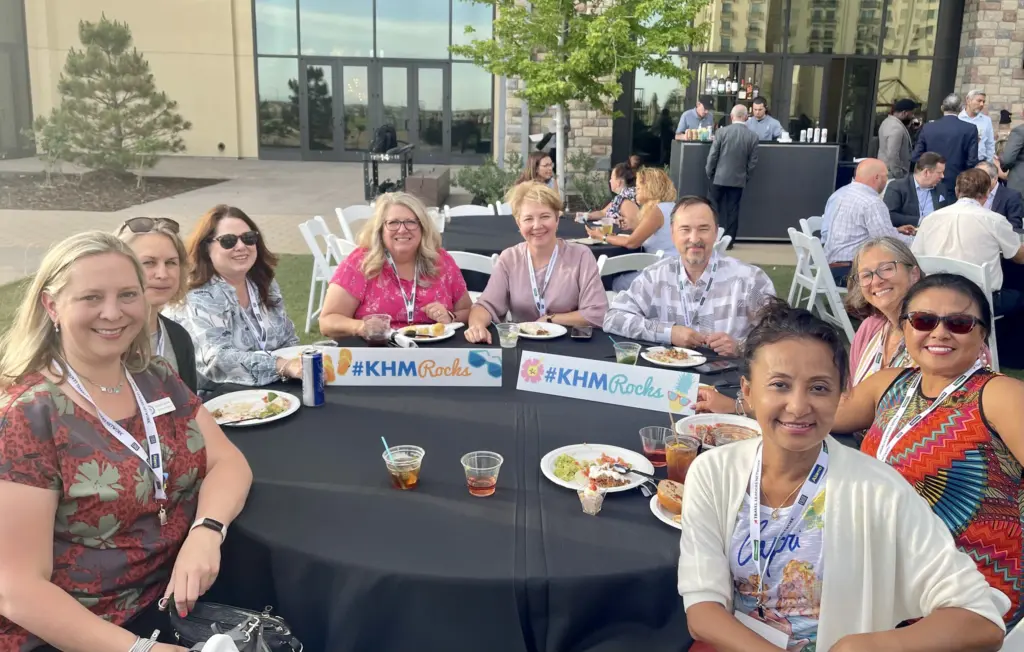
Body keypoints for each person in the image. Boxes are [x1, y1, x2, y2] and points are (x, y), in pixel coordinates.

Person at [680, 298, 1007, 652]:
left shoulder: (878, 489)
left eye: (819, 387)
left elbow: (981, 620)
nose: (798, 406)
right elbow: (702, 609)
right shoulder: (713, 472)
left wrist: (867, 646)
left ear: (841, 396)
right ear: (747, 391)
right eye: (779, 385)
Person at [0, 232, 252, 652]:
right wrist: (140, 650)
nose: (113, 313)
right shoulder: (28, 416)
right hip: (84, 633)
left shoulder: (152, 376)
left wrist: (206, 531)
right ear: (51, 305)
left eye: (127, 295)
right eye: (92, 297)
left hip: (171, 600)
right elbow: (17, 588)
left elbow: (228, 462)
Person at [830, 273, 1024, 627]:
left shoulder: (998, 395)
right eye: (923, 320)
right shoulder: (894, 383)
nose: (939, 332)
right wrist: (740, 403)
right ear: (905, 328)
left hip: (966, 587)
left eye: (960, 323)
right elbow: (822, 413)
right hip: (881, 569)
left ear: (982, 334)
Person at [603, 196, 775, 356]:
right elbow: (613, 318)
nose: (694, 238)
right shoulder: (655, 276)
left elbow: (780, 334)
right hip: (667, 377)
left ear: (715, 233)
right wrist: (668, 333)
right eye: (685, 229)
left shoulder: (749, 280)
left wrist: (740, 346)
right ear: (672, 234)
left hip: (726, 380)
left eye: (703, 229)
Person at [169, 205, 300, 392]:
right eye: (228, 241)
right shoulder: (198, 296)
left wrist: (300, 361)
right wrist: (282, 366)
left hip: (274, 389)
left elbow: (288, 338)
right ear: (206, 248)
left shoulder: (262, 282)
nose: (241, 247)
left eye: (248, 238)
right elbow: (217, 358)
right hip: (218, 399)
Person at [465, 183, 607, 343]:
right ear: (519, 224)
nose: (537, 225)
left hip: (570, 348)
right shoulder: (510, 258)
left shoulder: (580, 256)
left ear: (556, 219)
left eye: (545, 216)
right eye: (528, 219)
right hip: (522, 346)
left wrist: (550, 319)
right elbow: (485, 306)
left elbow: (597, 312)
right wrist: (476, 326)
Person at [319, 192, 472, 338]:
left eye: (410, 222)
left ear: (423, 227)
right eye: (393, 223)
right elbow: (327, 321)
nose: (402, 230)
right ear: (380, 230)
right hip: (377, 355)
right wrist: (360, 327)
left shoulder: (441, 261)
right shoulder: (360, 263)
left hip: (435, 358)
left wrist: (450, 317)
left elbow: (468, 311)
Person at [912, 169, 1024, 311]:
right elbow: (1018, 257)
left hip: (936, 297)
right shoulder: (994, 220)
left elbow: (915, 256)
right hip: (980, 301)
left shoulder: (930, 219)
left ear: (957, 190)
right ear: (987, 193)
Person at [116, 217, 198, 393]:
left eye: (170, 263)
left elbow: (191, 411)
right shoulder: (105, 337)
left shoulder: (179, 337)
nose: (162, 274)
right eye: (149, 263)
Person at [822, 158, 914, 285]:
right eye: (886, 176)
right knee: (906, 273)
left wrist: (896, 230)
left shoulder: (842, 193)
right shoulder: (872, 202)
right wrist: (917, 242)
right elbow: (888, 241)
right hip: (851, 271)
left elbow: (861, 231)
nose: (887, 180)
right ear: (877, 178)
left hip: (831, 266)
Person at [586, 167, 678, 291]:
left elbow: (632, 243)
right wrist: (634, 227)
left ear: (649, 188)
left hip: (661, 275)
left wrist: (601, 236)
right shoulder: (672, 207)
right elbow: (660, 235)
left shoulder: (657, 211)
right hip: (673, 270)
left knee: (605, 277)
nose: (635, 192)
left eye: (639, 188)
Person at [706, 104, 760, 244]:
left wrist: (709, 172)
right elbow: (752, 163)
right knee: (733, 209)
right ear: (746, 117)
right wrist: (745, 177)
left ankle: (711, 237)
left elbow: (713, 156)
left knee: (711, 207)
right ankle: (728, 241)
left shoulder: (722, 133)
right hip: (738, 179)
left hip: (718, 177)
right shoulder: (753, 137)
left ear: (731, 117)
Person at [912, 94, 979, 191]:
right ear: (961, 109)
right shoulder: (969, 129)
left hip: (929, 179)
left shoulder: (928, 127)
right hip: (956, 182)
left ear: (942, 108)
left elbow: (916, 156)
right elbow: (972, 161)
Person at [883, 151, 949, 228]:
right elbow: (889, 215)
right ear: (926, 172)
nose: (942, 176)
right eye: (939, 172)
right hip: (907, 235)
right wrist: (920, 221)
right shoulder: (897, 187)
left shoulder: (941, 188)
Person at [579, 162, 639, 228]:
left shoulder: (624, 198)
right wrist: (585, 216)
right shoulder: (625, 195)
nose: (610, 181)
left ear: (618, 182)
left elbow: (633, 222)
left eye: (611, 178)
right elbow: (603, 213)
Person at [877, 98, 918, 179]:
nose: (913, 116)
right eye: (911, 113)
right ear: (904, 113)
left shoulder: (886, 122)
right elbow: (892, 154)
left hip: (886, 170)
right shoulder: (897, 128)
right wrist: (899, 174)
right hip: (893, 175)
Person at [977, 160, 1024, 229]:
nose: (977, 181)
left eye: (982, 178)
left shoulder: (1011, 196)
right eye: (975, 178)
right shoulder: (971, 194)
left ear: (995, 178)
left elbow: (1015, 225)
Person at [959, 89, 996, 163]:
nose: (982, 104)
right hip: (961, 161)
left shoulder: (986, 120)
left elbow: (990, 144)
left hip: (980, 162)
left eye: (983, 102)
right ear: (968, 100)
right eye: (979, 101)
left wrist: (988, 163)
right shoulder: (958, 118)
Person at [997, 109, 1024, 196]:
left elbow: (1008, 159)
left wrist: (1003, 168)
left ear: (1022, 114)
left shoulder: (1020, 131)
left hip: (1020, 183)